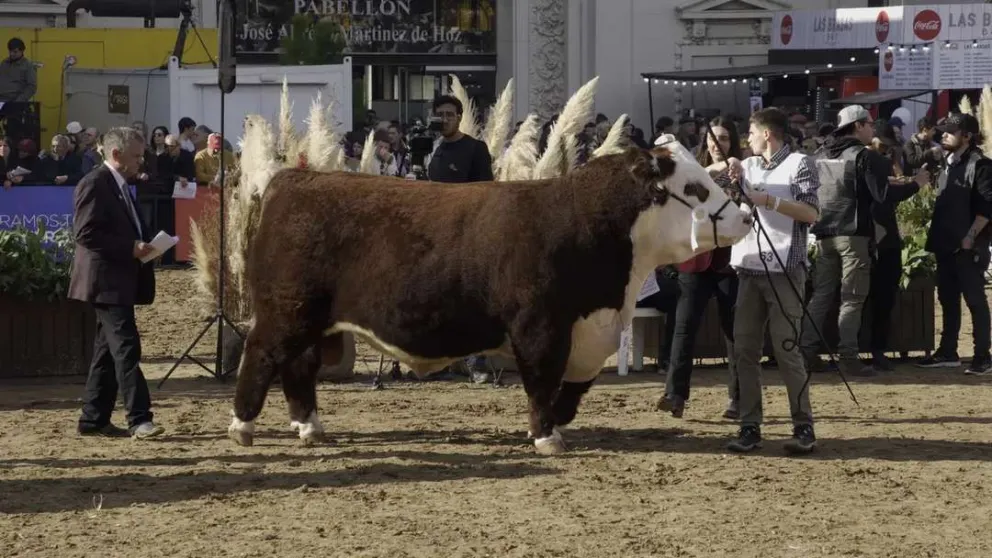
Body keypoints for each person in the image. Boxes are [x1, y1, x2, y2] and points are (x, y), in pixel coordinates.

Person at [724, 107, 820, 454]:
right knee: (744, 350)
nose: (746, 138)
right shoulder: (747, 167)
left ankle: (803, 424)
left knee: (787, 349)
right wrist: (732, 172)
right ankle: (750, 424)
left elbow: (810, 213)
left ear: (767, 133)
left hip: (785, 268)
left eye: (750, 132)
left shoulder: (800, 163)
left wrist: (768, 200)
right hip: (748, 267)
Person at [69, 126, 165, 439]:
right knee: (126, 346)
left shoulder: (120, 185)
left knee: (107, 352)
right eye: (136, 156)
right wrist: (130, 248)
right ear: (116, 154)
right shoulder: (95, 183)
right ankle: (139, 417)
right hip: (105, 281)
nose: (141, 162)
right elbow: (85, 233)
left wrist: (146, 246)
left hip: (118, 278)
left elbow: (124, 228)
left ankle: (93, 419)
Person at [657, 116, 742, 419]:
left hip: (728, 261)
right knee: (684, 329)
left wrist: (736, 173)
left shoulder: (740, 169)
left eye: (725, 138)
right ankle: (674, 394)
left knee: (734, 333)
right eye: (713, 138)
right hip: (695, 260)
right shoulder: (693, 167)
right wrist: (712, 170)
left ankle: (738, 399)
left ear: (733, 141)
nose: (718, 144)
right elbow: (681, 192)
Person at [799, 105, 893, 377]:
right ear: (858, 126)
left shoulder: (820, 154)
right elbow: (881, 197)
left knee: (821, 295)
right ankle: (849, 357)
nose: (873, 129)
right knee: (852, 298)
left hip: (824, 234)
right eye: (870, 124)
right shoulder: (863, 156)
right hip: (854, 235)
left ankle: (806, 353)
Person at [425, 94, 495, 383]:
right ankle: (438, 360)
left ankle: (475, 363)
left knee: (471, 300)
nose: (444, 119)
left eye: (449, 115)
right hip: (434, 235)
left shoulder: (475, 149)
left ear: (459, 117)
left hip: (468, 234)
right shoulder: (430, 149)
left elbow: (486, 192)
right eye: (439, 114)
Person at [917, 113, 992, 374]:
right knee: (947, 299)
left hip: (969, 245)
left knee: (975, 300)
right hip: (945, 243)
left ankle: (983, 355)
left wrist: (970, 238)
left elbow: (986, 209)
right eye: (943, 131)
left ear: (967, 136)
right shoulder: (948, 163)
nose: (943, 135)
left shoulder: (981, 165)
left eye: (950, 131)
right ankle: (948, 351)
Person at [863, 120, 926, 373]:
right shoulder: (870, 159)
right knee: (880, 296)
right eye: (885, 146)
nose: (888, 152)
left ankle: (874, 349)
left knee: (877, 297)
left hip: (877, 237)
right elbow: (883, 197)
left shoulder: (870, 158)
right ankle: (876, 350)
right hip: (877, 237)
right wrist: (915, 184)